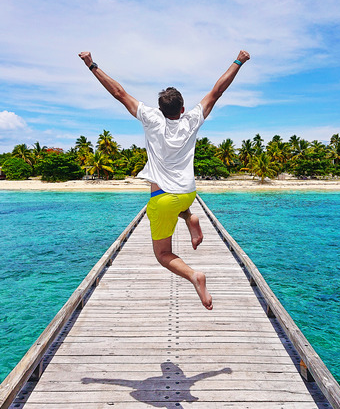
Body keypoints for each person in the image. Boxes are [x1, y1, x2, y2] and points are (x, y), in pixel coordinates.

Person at [78, 50, 250, 310]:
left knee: (162, 255)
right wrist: (239, 61)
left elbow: (119, 93)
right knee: (178, 203)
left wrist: (91, 65)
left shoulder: (151, 119)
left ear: (159, 109)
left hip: (163, 199)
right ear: (182, 109)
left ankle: (194, 276)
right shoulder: (191, 119)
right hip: (188, 194)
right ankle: (190, 217)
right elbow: (217, 91)